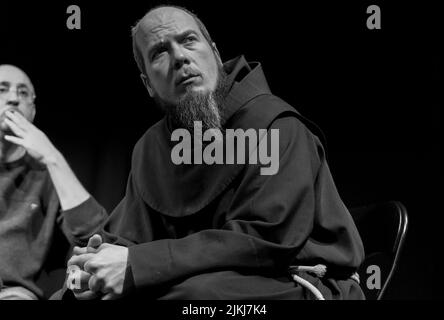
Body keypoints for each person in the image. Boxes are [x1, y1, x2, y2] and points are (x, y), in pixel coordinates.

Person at [63, 5, 365, 300]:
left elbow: (267, 238)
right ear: (148, 85)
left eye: (188, 41)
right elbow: (128, 235)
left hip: (296, 279)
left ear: (216, 54)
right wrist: (92, 265)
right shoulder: (152, 149)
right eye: (159, 52)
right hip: (205, 280)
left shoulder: (274, 124)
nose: (180, 57)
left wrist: (138, 264)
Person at [0, 64, 107, 299]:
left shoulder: (46, 173)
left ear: (33, 112)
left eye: (23, 93)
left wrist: (52, 156)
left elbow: (98, 237)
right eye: (2, 89)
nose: (14, 99)